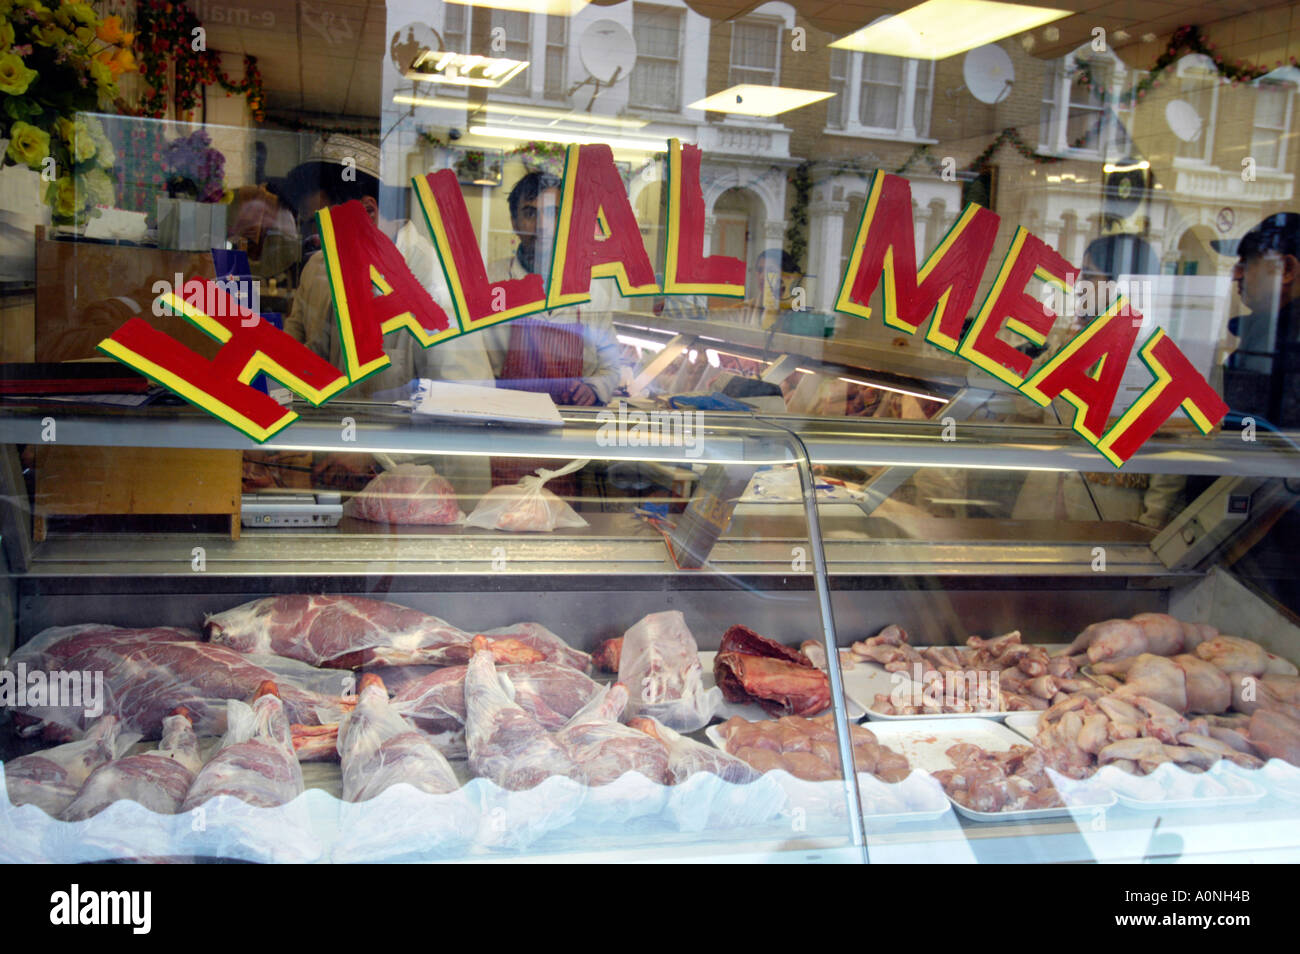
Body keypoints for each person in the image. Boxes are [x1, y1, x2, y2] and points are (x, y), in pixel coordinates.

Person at [281, 134, 493, 494]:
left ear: (367, 212)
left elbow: (464, 411)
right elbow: (293, 363)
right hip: (330, 483)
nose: (312, 243)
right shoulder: (319, 269)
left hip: (420, 497)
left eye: (320, 228)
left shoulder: (439, 286)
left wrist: (373, 452)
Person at [1013, 234, 1184, 529]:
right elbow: (1025, 404)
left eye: (1090, 276)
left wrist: (1150, 525)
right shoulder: (1076, 344)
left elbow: (1172, 455)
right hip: (1043, 504)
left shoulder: (1155, 354)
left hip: (1111, 513)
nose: (1080, 288)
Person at [477, 170, 627, 407]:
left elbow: (610, 365)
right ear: (514, 223)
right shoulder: (490, 281)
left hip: (570, 423)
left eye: (552, 213)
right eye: (530, 213)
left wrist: (593, 389)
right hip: (503, 418)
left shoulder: (592, 290)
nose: (542, 226)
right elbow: (472, 364)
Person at [1214, 212, 1300, 428]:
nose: (1236, 275)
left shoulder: (1284, 341)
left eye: (1246, 264)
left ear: (1287, 270)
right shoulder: (1265, 329)